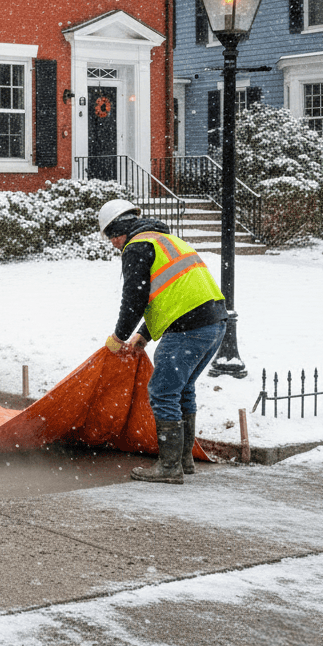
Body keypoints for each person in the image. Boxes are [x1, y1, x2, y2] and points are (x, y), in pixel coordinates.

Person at [98, 198, 228, 484]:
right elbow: (172, 291)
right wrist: (144, 335)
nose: (113, 245)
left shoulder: (136, 247)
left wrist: (119, 337)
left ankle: (170, 468)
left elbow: (135, 298)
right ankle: (184, 460)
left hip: (187, 329)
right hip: (215, 323)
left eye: (111, 238)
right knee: (182, 389)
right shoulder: (165, 240)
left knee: (162, 392)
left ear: (118, 230)